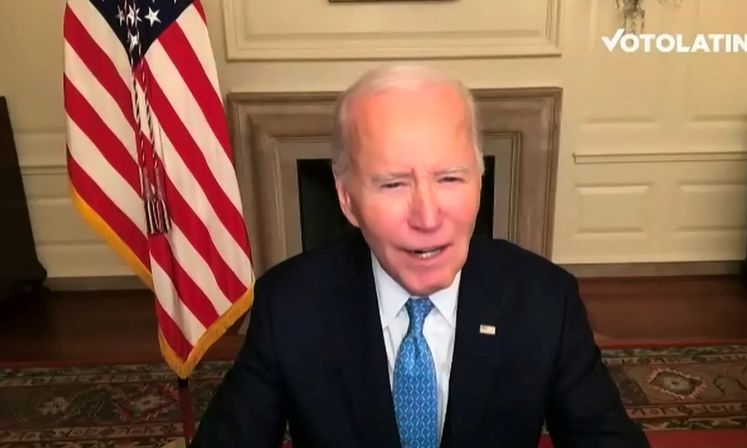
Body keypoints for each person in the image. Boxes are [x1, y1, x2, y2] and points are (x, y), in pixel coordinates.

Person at [191, 65, 649, 448]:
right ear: (346, 197)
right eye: (392, 184)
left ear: (480, 181)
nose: (428, 217)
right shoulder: (289, 304)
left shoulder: (545, 300)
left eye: (450, 178)